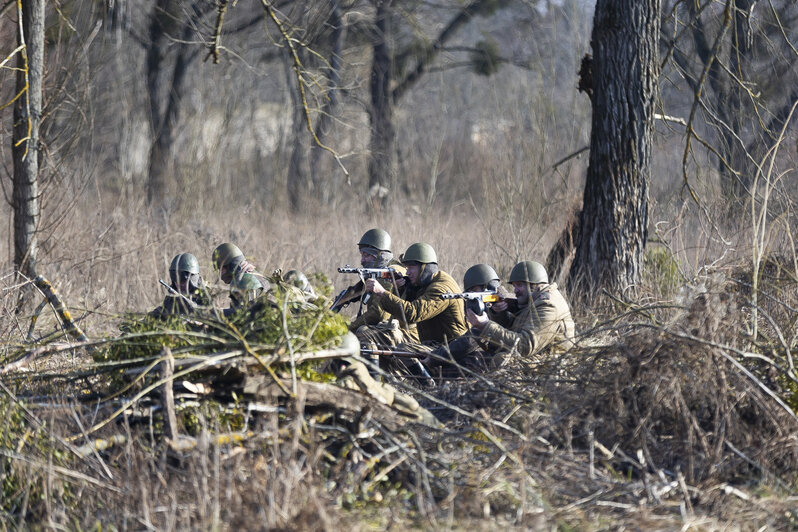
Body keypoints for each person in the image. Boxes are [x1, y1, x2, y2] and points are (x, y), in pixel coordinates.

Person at [426, 260, 575, 374]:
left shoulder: (548, 305)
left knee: (498, 360)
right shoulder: (534, 302)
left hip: (550, 366)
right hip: (536, 358)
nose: (515, 291)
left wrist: (485, 325)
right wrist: (500, 313)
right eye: (514, 286)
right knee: (473, 359)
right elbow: (514, 329)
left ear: (535, 285)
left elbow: (525, 345)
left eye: (519, 286)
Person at [360, 242, 467, 383]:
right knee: (368, 334)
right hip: (432, 344)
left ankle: (428, 387)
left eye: (412, 268)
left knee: (404, 349)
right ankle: (383, 385)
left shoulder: (441, 288)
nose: (408, 272)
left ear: (425, 267)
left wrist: (382, 293)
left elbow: (413, 313)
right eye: (406, 268)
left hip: (450, 349)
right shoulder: (426, 282)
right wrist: (404, 288)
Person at [335, 229, 419, 343]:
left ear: (378, 256)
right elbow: (356, 291)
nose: (362, 260)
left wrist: (347, 328)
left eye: (366, 255)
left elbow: (378, 314)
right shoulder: (379, 271)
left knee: (362, 331)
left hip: (405, 333)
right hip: (393, 329)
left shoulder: (390, 273)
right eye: (362, 255)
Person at [150, 253, 210, 319]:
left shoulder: (206, 297)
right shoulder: (171, 299)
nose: (179, 284)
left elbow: (211, 318)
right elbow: (164, 311)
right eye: (176, 281)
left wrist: (190, 308)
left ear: (192, 279)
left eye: (183, 281)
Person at [211, 242, 265, 315]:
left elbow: (245, 313)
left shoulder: (248, 281)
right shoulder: (255, 276)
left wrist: (217, 313)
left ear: (231, 265)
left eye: (221, 269)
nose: (221, 274)